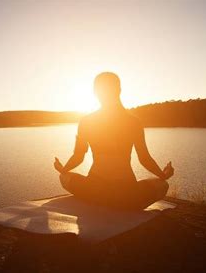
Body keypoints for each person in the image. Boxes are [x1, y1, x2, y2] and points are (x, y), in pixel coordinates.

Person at [53, 72, 174, 210]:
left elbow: (78, 156)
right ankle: (124, 204)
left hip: (94, 190)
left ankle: (99, 201)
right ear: (119, 90)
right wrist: (163, 175)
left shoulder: (86, 121)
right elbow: (144, 158)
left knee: (64, 177)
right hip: (126, 193)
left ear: (95, 93)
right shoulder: (133, 122)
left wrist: (63, 169)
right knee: (162, 185)